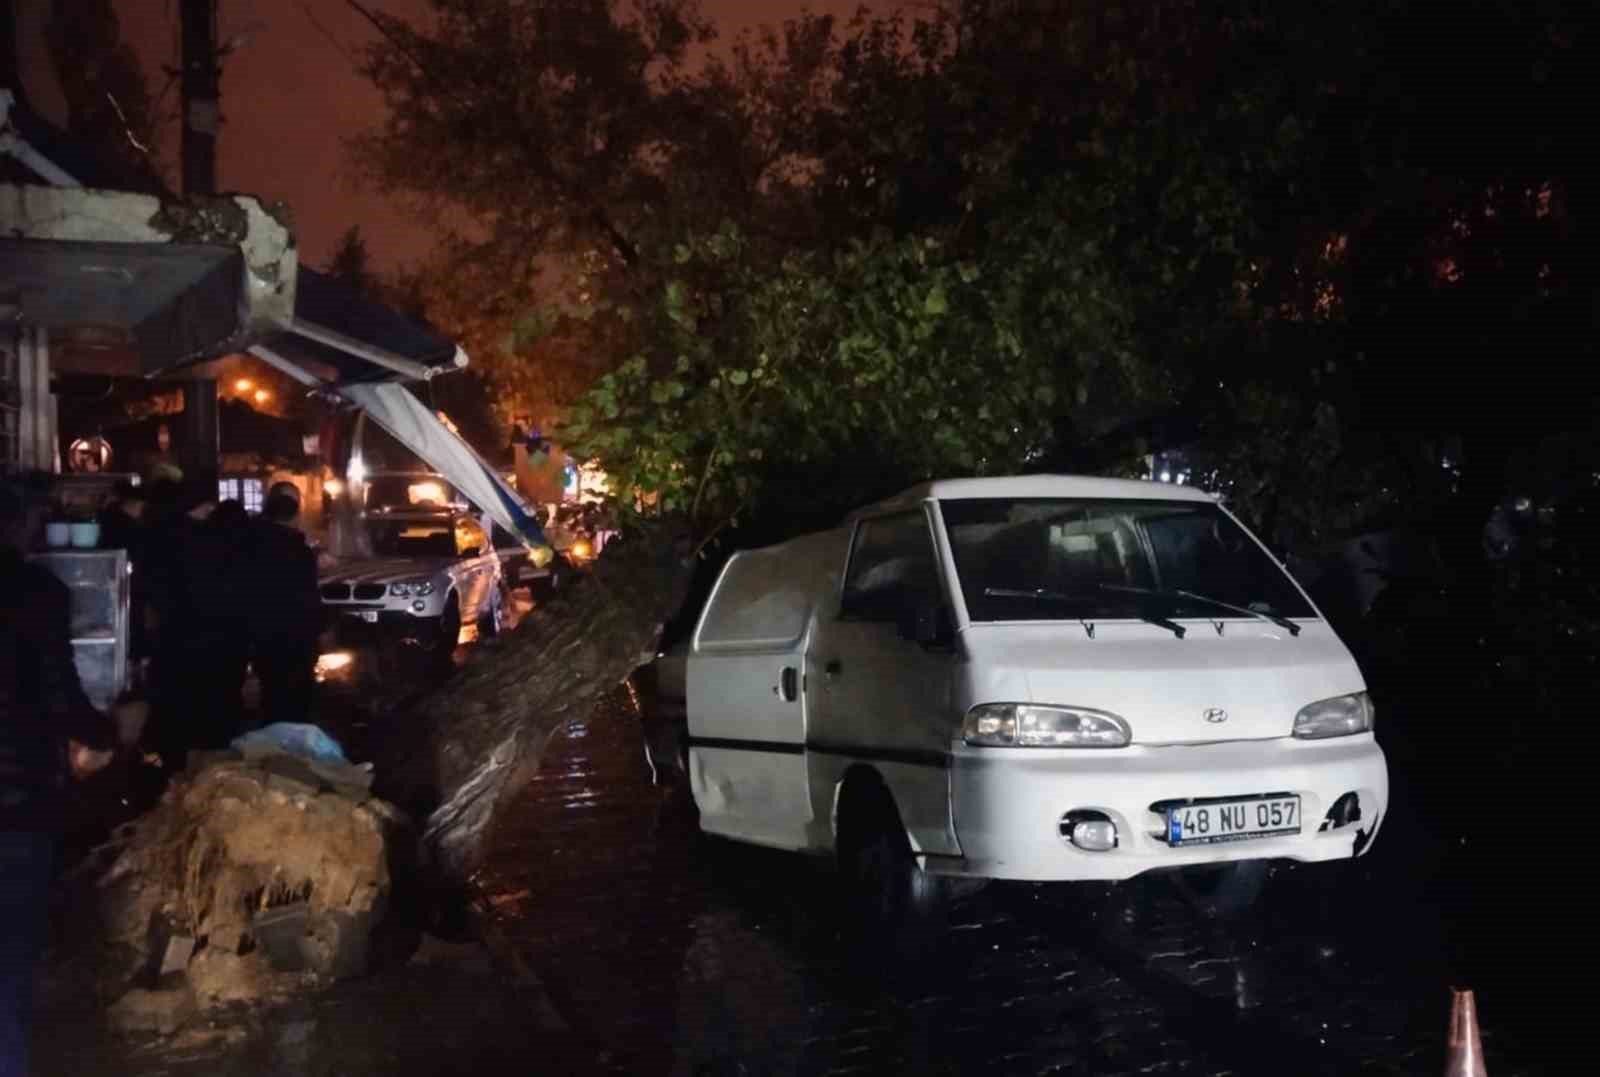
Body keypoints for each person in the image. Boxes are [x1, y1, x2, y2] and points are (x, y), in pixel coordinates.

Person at [1, 474, 132, 1077]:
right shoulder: (34, 592)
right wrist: (108, 734)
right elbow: (60, 695)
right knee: (9, 963)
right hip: (18, 805)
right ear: (22, 525)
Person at [249, 483, 321, 726]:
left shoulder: (254, 545)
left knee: (273, 694)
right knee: (295, 698)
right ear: (295, 514)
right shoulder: (299, 551)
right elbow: (308, 597)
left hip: (266, 636)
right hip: (295, 637)